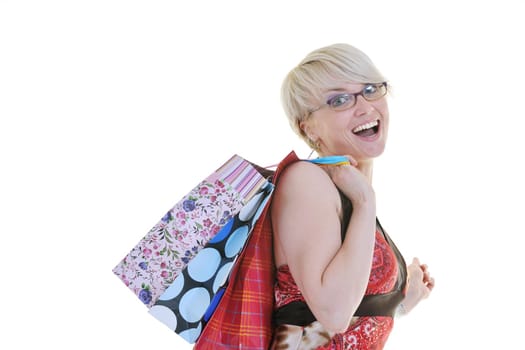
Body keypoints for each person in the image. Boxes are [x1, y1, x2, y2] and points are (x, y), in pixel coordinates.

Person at [269, 43, 435, 349]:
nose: (364, 106)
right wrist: (365, 201)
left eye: (371, 89)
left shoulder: (346, 193)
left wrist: (400, 303)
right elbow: (333, 314)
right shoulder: (307, 181)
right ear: (309, 129)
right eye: (339, 100)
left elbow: (324, 328)